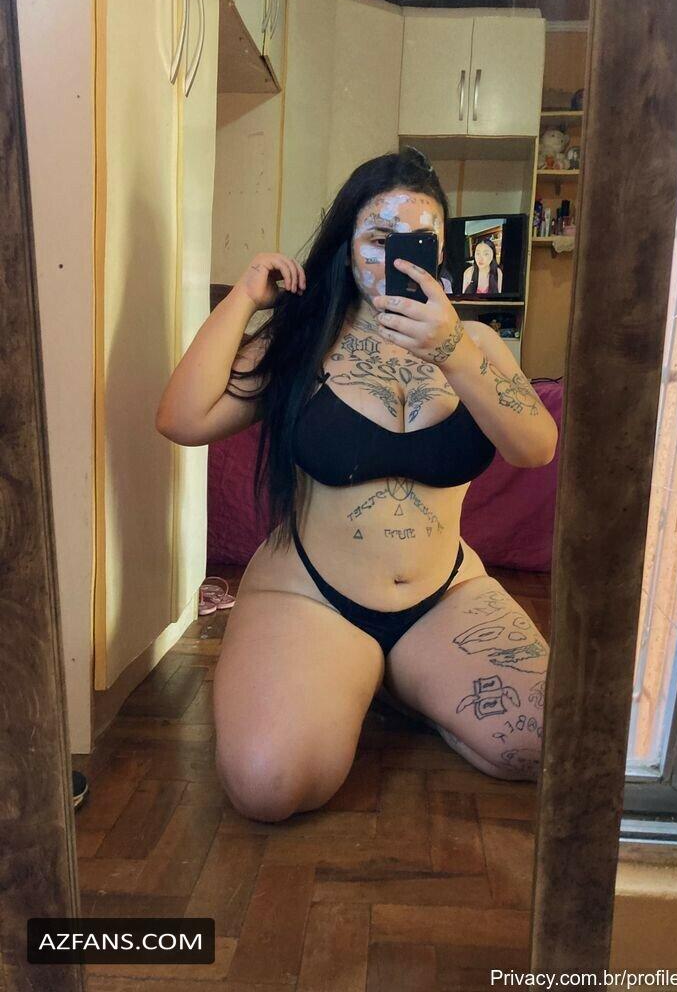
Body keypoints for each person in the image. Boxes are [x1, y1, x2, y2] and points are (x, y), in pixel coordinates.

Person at [156, 147, 558, 823]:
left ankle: (393, 682)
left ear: (441, 251)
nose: (398, 257)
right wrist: (244, 298)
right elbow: (181, 418)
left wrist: (451, 350)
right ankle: (359, 674)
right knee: (268, 785)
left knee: (544, 745)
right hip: (311, 596)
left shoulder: (479, 345)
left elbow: (537, 447)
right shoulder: (300, 343)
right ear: (346, 249)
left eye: (419, 240)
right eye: (379, 238)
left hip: (445, 596)